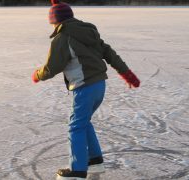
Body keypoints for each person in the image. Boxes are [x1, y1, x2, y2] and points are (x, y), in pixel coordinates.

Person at [32, 0, 140, 179]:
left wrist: (37, 75)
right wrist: (128, 74)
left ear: (54, 21)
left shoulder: (62, 38)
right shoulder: (89, 32)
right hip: (99, 85)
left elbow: (52, 67)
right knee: (83, 121)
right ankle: (94, 161)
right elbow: (110, 54)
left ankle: (77, 170)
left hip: (84, 87)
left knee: (75, 127)